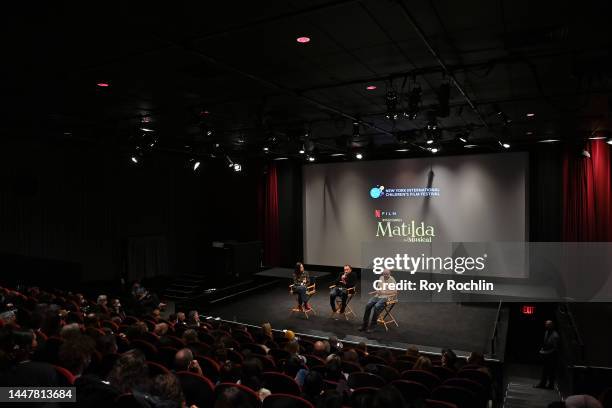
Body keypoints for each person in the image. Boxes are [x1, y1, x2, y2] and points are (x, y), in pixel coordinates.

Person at [536, 319, 560, 389]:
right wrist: (542, 349)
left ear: (552, 326)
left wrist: (545, 352)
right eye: (546, 324)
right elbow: (546, 343)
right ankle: (542, 384)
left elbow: (555, 349)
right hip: (547, 356)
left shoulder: (555, 336)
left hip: (552, 357)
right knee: (545, 370)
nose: (546, 326)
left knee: (551, 371)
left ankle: (550, 385)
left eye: (548, 325)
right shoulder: (546, 332)